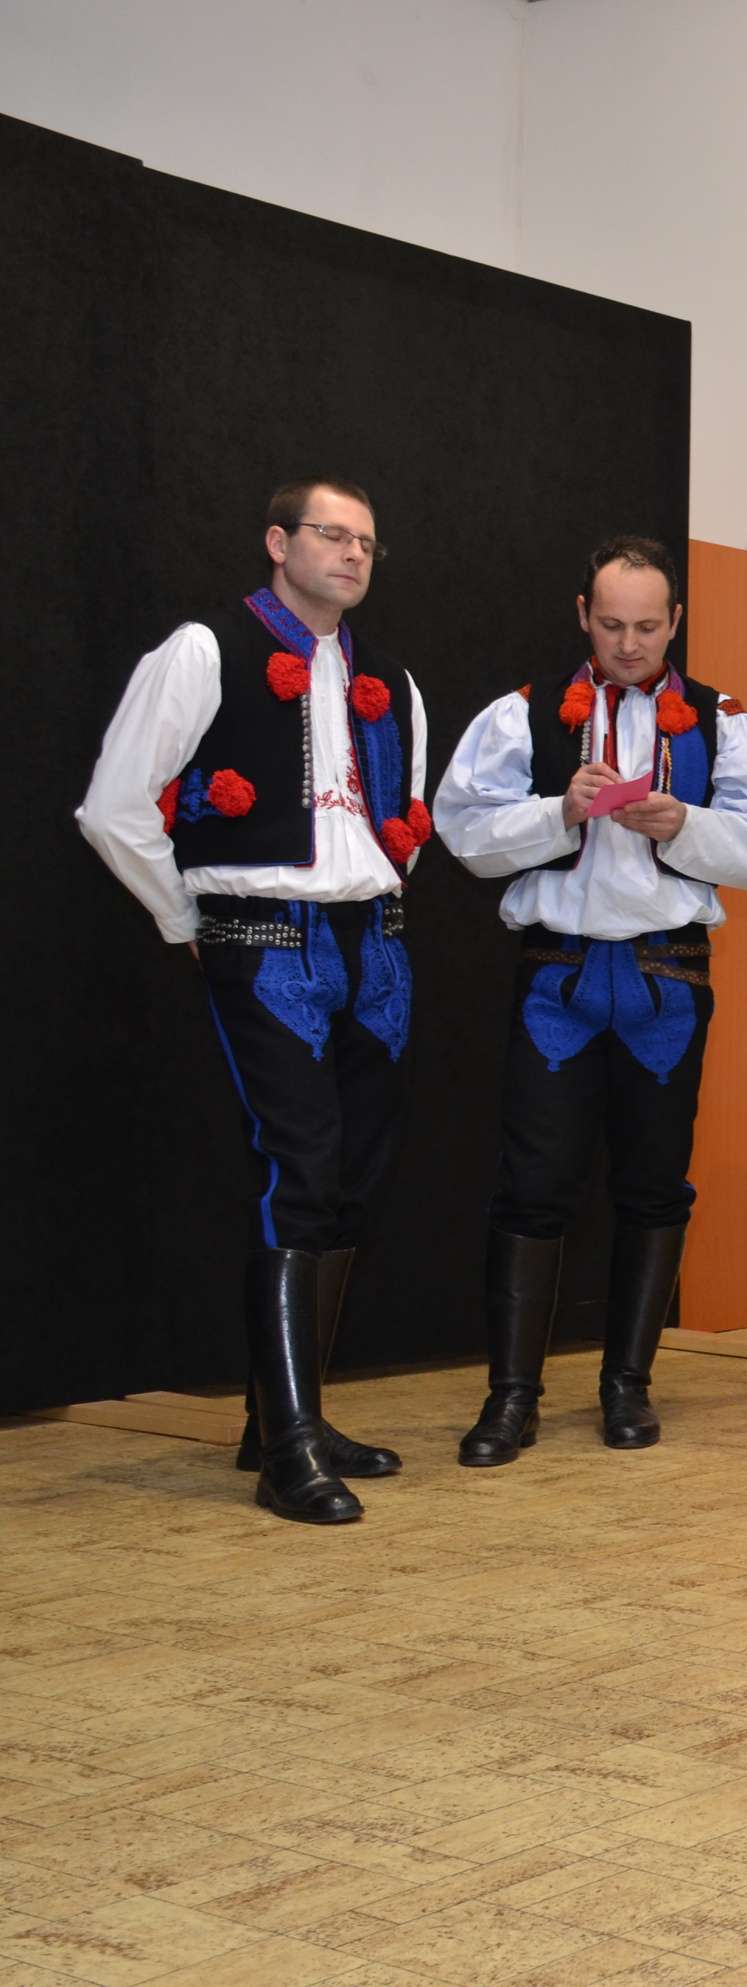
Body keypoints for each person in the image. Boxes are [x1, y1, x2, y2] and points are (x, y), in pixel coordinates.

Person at [75, 476, 433, 1525]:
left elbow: (401, 821)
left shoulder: (393, 678)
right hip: (267, 937)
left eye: (366, 540)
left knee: (356, 1176)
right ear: (279, 542)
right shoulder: (205, 650)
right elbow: (113, 806)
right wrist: (182, 917)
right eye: (332, 533)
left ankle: (285, 1418)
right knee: (301, 1167)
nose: (353, 553)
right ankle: (287, 1452)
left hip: (375, 942)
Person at [433, 536, 747, 1461]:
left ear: (675, 620)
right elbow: (462, 833)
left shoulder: (725, 723)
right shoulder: (522, 715)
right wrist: (558, 810)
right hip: (554, 976)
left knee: (653, 1185)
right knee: (532, 1186)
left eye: (646, 626)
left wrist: (687, 825)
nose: (629, 643)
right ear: (582, 615)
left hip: (665, 977)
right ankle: (510, 1398)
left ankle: (627, 1387)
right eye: (610, 625)